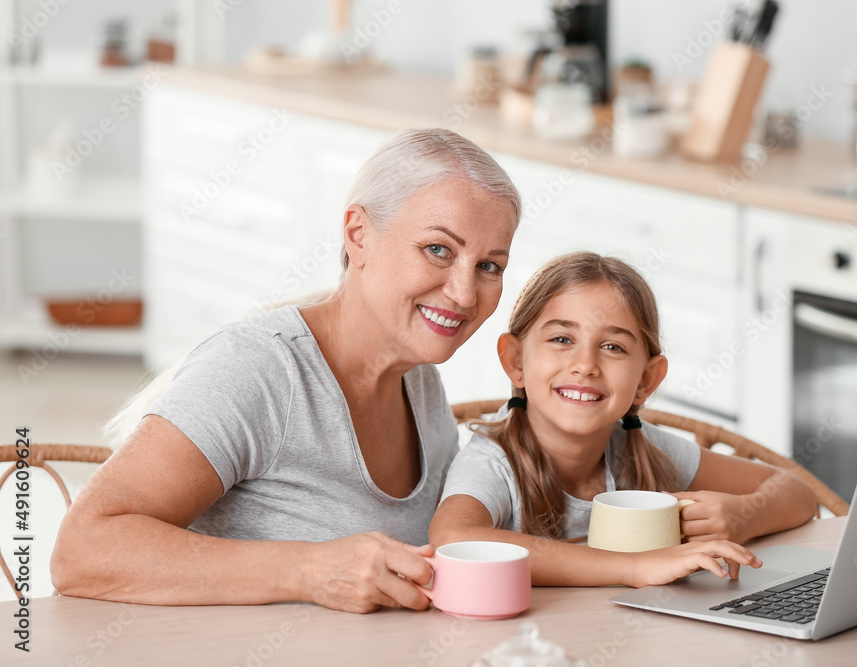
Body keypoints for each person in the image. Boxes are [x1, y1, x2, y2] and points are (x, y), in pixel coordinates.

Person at [50, 128, 522, 613]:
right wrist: (310, 571)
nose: (465, 294)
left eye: (489, 266)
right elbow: (81, 550)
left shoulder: (419, 381)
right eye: (438, 249)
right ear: (358, 235)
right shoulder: (256, 368)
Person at [429, 252, 817, 587]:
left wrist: (743, 517)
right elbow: (453, 539)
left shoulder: (640, 448)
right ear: (516, 361)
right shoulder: (494, 462)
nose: (585, 366)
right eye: (562, 339)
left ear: (645, 381)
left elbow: (797, 492)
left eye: (613, 347)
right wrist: (635, 567)